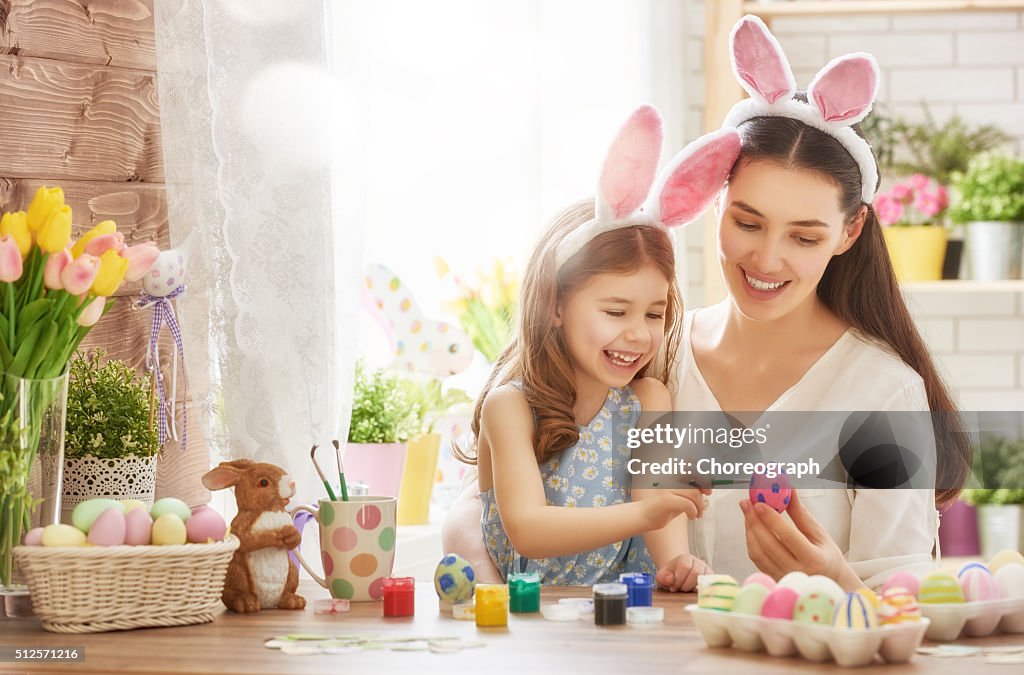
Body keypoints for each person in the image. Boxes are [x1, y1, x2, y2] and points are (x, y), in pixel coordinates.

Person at [670, 15, 971, 591]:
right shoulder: (653, 356)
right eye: (747, 222)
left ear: (849, 232)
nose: (766, 259)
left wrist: (834, 579)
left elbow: (902, 611)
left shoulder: (882, 392)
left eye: (804, 237)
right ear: (716, 202)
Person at [451, 106, 741, 587]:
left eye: (653, 314)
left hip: (606, 617)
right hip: (522, 623)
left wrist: (676, 563)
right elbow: (529, 529)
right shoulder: (512, 408)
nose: (638, 334)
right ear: (556, 305)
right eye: (615, 311)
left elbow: (657, 507)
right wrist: (645, 514)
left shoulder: (647, 402)